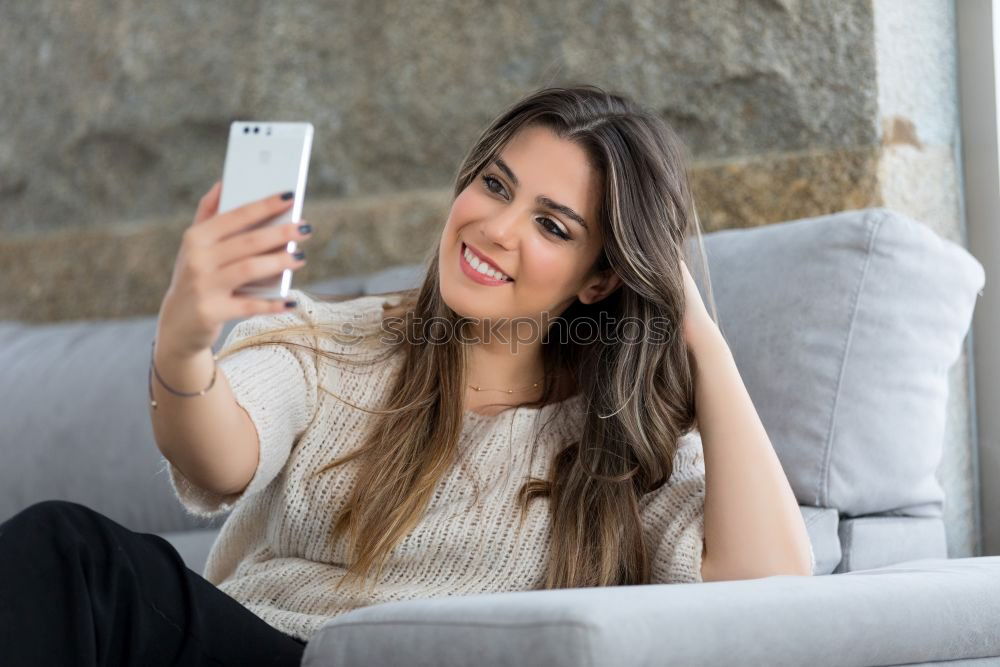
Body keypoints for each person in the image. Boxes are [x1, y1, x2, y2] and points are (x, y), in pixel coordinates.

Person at [0, 83, 814, 666]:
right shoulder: (331, 342)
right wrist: (183, 341)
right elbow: (219, 457)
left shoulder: (626, 442)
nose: (494, 226)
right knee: (72, 553)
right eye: (494, 183)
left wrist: (698, 331)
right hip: (265, 646)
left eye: (550, 224)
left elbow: (769, 585)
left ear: (600, 277)